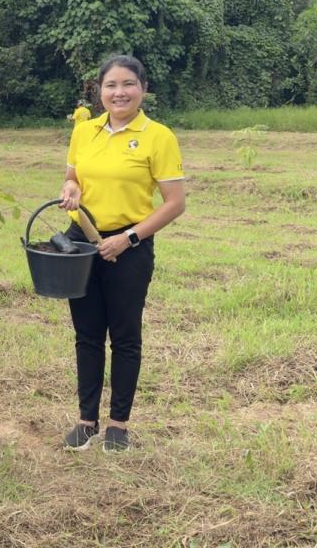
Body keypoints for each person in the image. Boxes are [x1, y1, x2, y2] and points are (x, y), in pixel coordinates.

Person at [57, 55, 185, 452]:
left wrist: (128, 239)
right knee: (87, 334)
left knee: (125, 336)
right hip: (83, 243)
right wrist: (71, 189)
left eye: (128, 84)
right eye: (111, 85)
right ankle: (86, 420)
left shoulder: (157, 136)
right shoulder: (84, 131)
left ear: (143, 89)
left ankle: (118, 424)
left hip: (129, 247)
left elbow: (174, 202)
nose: (119, 92)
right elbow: (72, 176)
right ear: (99, 91)